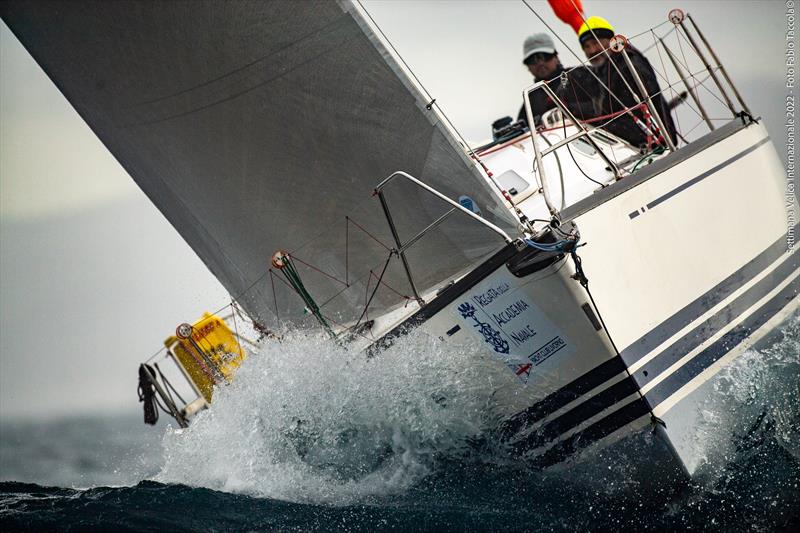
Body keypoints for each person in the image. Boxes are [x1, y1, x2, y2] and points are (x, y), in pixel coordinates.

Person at [577, 16, 677, 149]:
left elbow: (640, 108)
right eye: (587, 47)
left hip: (654, 143)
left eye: (596, 43)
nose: (592, 51)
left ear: (612, 41)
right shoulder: (605, 70)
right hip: (633, 144)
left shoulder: (629, 63)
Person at [518, 33, 598, 128]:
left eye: (544, 56)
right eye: (532, 60)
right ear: (528, 67)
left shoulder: (582, 74)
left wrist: (570, 109)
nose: (540, 63)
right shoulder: (530, 100)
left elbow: (608, 104)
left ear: (556, 57)